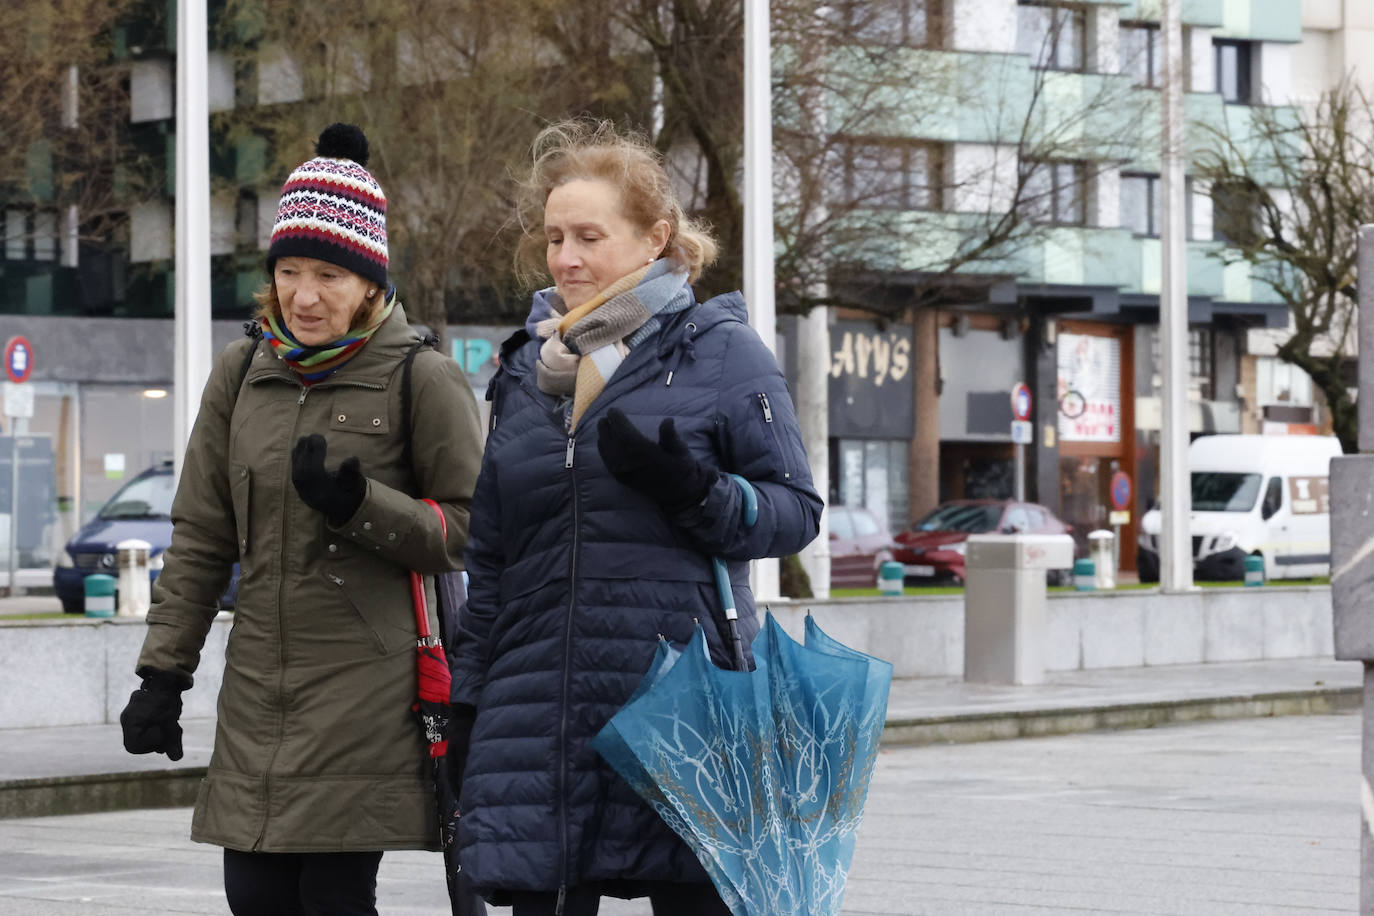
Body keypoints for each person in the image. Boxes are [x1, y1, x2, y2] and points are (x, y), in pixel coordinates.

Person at [449, 119, 823, 916]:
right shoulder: (525, 370)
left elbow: (795, 511)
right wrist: (471, 697)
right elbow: (491, 556)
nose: (566, 258)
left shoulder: (721, 352)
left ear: (655, 239)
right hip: (536, 719)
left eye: (589, 236)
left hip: (680, 707)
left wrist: (697, 491)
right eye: (553, 237)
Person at [117, 123, 484, 916]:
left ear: (371, 283)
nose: (305, 295)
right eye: (289, 270)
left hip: (367, 693)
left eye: (329, 274)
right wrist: (162, 675)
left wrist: (362, 508)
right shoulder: (243, 371)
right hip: (257, 692)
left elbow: (469, 529)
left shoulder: (423, 376)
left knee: (332, 900)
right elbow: (203, 536)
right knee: (253, 898)